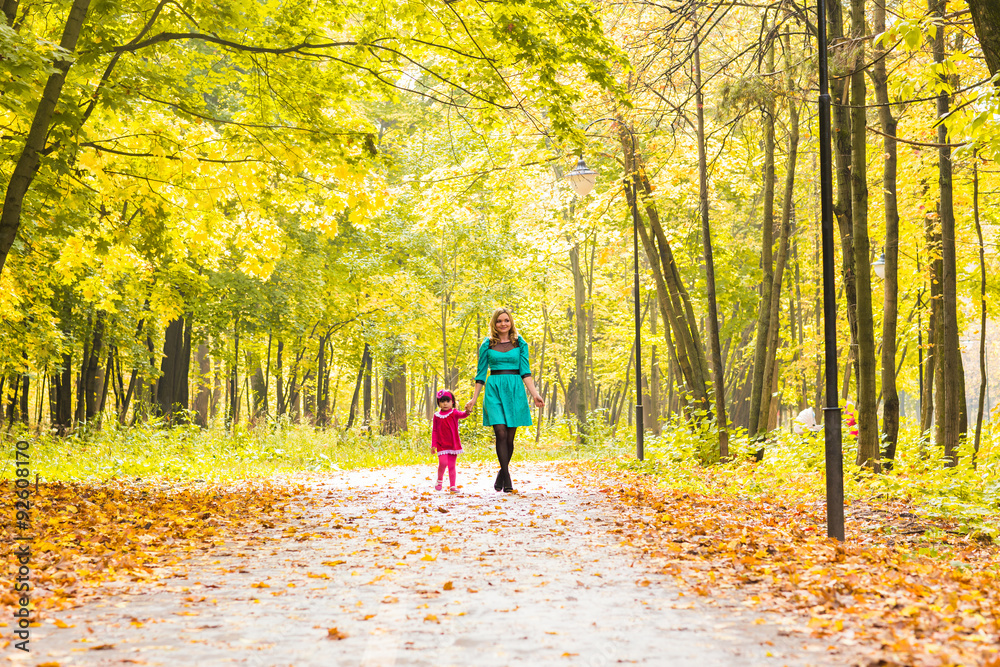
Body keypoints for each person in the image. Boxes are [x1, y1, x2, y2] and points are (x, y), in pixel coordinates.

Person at [465, 307, 545, 493]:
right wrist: (474, 398)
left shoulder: (520, 343)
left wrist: (534, 394)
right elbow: (481, 373)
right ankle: (507, 476)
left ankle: (502, 472)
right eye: (499, 320)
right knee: (500, 432)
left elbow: (525, 371)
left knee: (509, 437)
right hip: (493, 389)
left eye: (506, 320)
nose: (503, 324)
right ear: (494, 323)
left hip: (515, 389)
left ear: (511, 323)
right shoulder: (488, 344)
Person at [431, 390, 468, 492]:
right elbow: (434, 430)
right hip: (441, 444)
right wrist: (433, 444)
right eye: (442, 401)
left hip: (453, 444)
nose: (445, 403)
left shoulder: (454, 412)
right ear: (439, 403)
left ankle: (452, 486)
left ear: (452, 402)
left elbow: (463, 415)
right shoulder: (437, 416)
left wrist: (468, 411)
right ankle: (439, 480)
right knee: (443, 463)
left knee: (452, 465)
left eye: (447, 401)